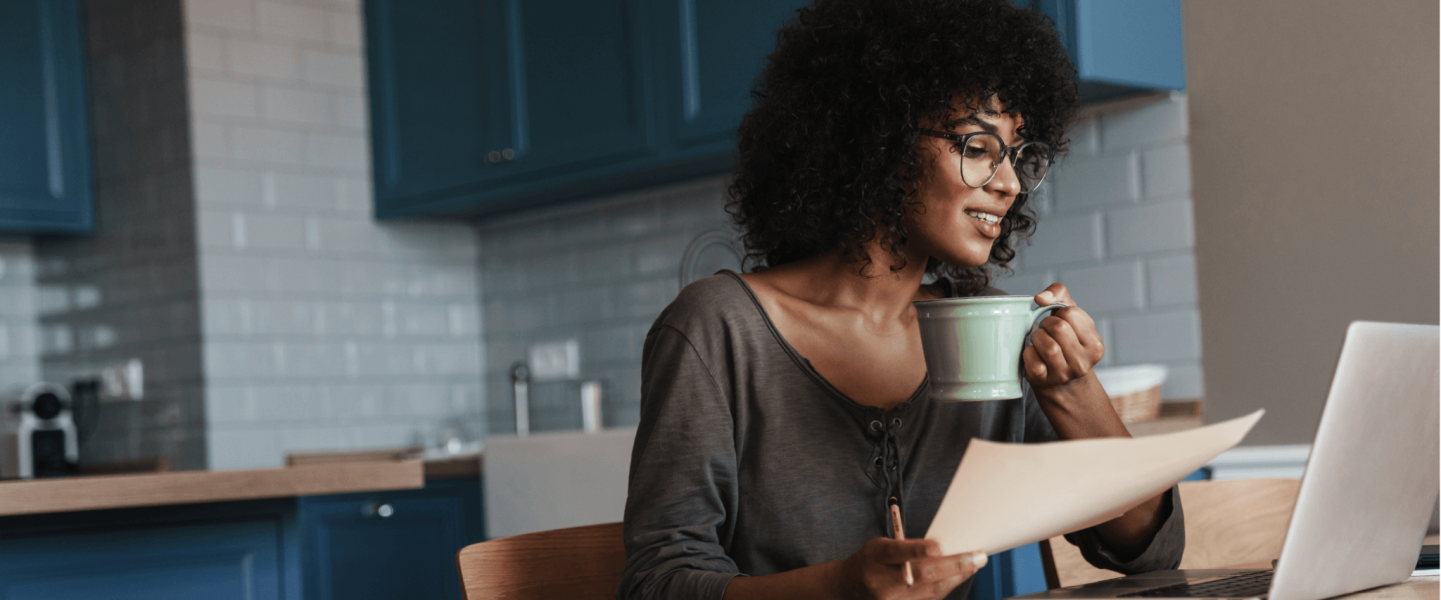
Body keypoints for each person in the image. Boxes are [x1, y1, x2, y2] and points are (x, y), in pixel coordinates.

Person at [617, 1, 1184, 598]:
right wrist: (841, 588)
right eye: (976, 147)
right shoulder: (718, 330)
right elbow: (659, 582)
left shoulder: (988, 329)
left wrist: (1073, 391)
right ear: (879, 140)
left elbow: (1148, 549)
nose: (1010, 183)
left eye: (1016, 155)